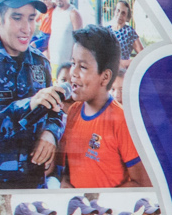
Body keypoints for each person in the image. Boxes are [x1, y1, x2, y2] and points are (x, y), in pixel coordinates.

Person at [0, 0, 66, 189]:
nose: (27, 28)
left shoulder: (40, 61)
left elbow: (56, 109)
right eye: (17, 17)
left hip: (34, 182)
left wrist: (51, 133)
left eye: (31, 18)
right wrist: (29, 105)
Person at [59, 26, 149, 188]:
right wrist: (65, 184)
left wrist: (103, 201)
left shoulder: (122, 120)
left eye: (83, 67)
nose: (73, 72)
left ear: (105, 77)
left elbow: (143, 183)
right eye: (73, 63)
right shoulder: (73, 112)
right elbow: (69, 169)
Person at [45, 0, 82, 74]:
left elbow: (80, 41)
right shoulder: (54, 12)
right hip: (53, 63)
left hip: (67, 66)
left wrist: (74, 62)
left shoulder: (73, 13)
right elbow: (52, 36)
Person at [110, 0, 142, 66]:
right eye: (118, 11)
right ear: (114, 12)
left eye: (123, 13)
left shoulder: (129, 32)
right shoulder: (106, 30)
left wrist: (126, 63)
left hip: (122, 72)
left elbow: (142, 54)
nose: (120, 15)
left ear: (127, 17)